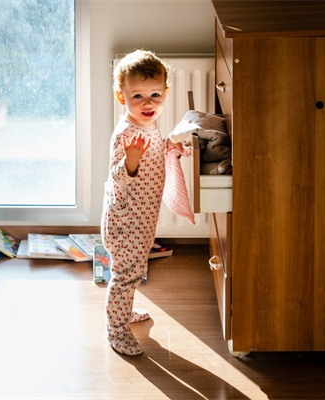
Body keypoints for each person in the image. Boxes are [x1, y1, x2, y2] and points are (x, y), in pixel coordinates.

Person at [101, 49, 182, 355]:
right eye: (137, 96)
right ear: (122, 98)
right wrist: (131, 160)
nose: (148, 103)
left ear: (165, 92)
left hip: (141, 219)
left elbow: (152, 154)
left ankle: (123, 312)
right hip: (126, 222)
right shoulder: (126, 132)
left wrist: (167, 146)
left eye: (155, 95)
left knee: (135, 270)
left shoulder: (147, 125)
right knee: (126, 275)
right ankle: (116, 329)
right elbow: (118, 176)